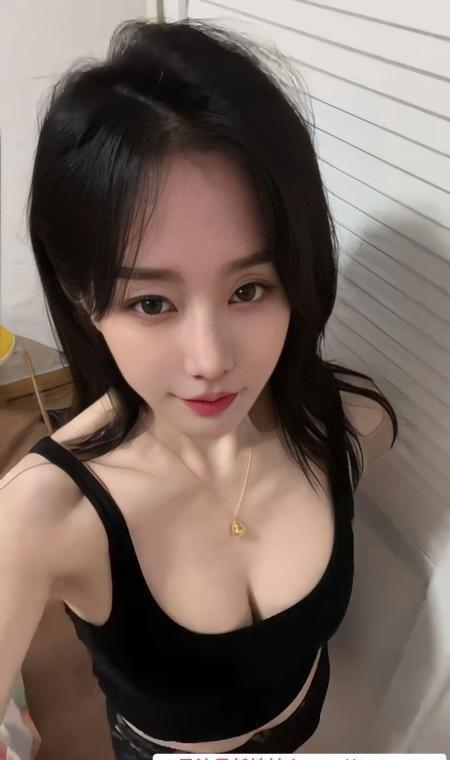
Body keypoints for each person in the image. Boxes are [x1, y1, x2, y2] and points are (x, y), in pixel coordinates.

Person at [0, 17, 398, 758]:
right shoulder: (37, 516)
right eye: (152, 303)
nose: (211, 361)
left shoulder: (346, 422)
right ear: (83, 299)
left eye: (250, 289)